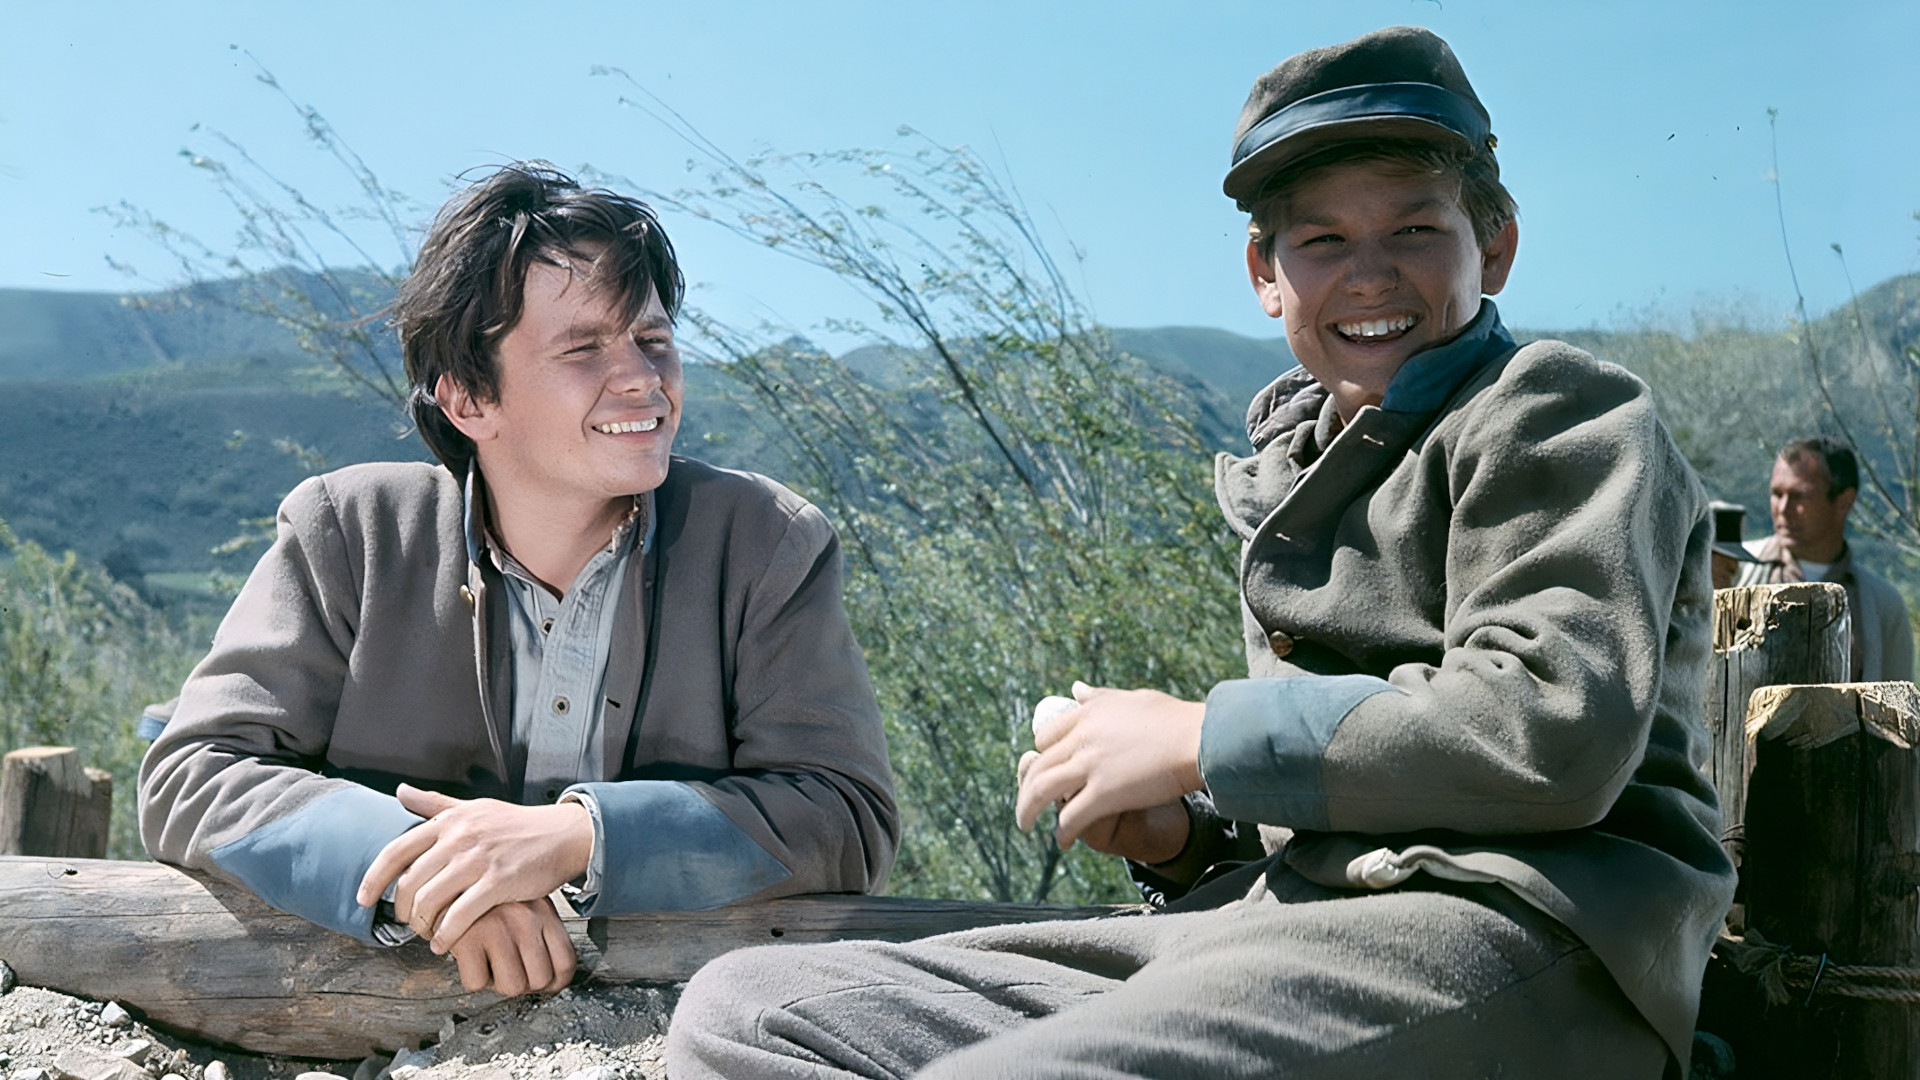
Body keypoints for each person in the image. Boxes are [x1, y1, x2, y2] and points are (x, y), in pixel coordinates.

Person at [665, 26, 1732, 1079]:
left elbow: (1548, 734)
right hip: (1288, 923)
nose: (1369, 275)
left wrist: (1197, 735)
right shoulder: (1297, 468)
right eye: (1322, 241)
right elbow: (1346, 803)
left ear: (1492, 247)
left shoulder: (1552, 411)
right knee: (749, 1008)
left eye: (1415, 229)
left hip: (1520, 931)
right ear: (1266, 272)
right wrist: (1178, 835)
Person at [138, 163, 897, 998]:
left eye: (652, 339)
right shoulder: (349, 532)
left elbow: (846, 815)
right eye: (584, 348)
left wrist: (577, 838)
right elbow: (192, 774)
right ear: (469, 400)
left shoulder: (765, 541)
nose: (643, 376)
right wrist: (431, 871)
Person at [1736, 436, 1913, 681]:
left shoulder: (1884, 605)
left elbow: (1898, 698)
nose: (1783, 509)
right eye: (1777, 494)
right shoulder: (1735, 570)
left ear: (1844, 502)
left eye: (1799, 496)